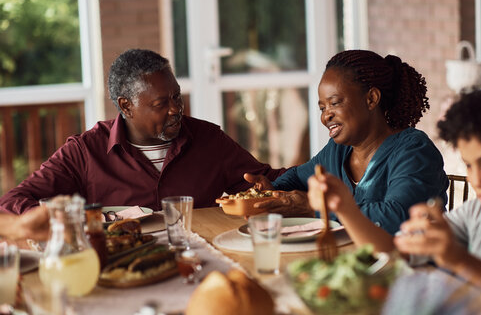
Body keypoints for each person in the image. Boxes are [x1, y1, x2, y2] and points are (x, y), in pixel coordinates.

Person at [307, 80, 481, 313]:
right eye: (469, 166)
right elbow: (392, 252)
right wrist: (346, 209)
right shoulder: (477, 213)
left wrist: (460, 260)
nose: (477, 180)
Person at [0, 49, 286, 214]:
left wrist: (326, 161)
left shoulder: (209, 139)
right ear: (127, 106)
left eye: (177, 96)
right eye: (162, 103)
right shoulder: (85, 151)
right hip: (122, 270)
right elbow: (12, 202)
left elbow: (268, 180)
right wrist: (64, 220)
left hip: (201, 264)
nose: (176, 109)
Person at [246, 50, 448, 234]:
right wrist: (271, 191)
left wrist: (317, 208)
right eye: (322, 108)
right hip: (355, 262)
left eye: (334, 103)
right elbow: (297, 177)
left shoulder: (414, 150)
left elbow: (398, 217)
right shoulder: (338, 150)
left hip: (410, 266)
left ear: (371, 99)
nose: (326, 116)